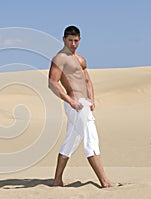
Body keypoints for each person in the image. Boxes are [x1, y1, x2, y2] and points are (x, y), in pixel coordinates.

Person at [48, 25, 119, 188]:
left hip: (84, 104)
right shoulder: (60, 58)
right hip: (75, 104)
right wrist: (70, 101)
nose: (73, 44)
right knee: (91, 139)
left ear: (80, 40)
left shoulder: (80, 59)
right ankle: (105, 181)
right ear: (64, 39)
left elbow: (87, 80)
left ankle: (57, 180)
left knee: (71, 141)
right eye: (70, 40)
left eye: (76, 41)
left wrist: (92, 99)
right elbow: (52, 82)